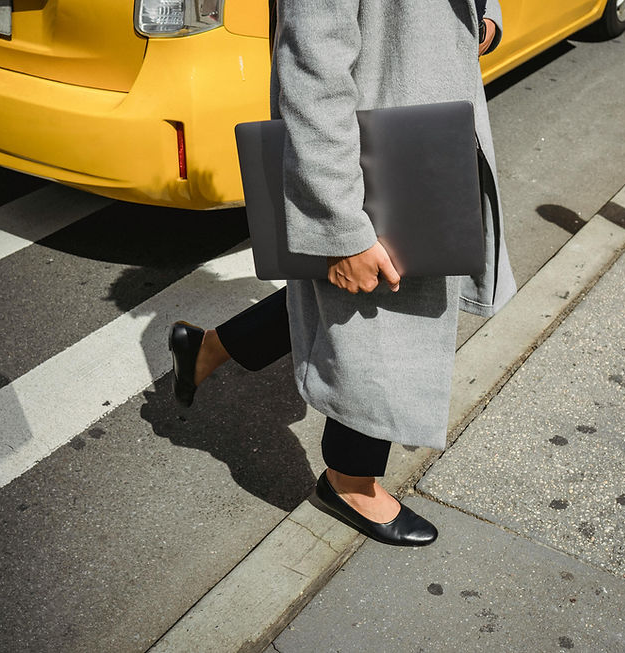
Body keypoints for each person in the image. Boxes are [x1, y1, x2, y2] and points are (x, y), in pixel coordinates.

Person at [169, 0, 515, 547]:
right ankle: (349, 480)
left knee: (350, 298)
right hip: (373, 150)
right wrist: (340, 228)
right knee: (373, 311)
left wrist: (483, 11)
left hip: (418, 120)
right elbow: (312, 72)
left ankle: (206, 349)